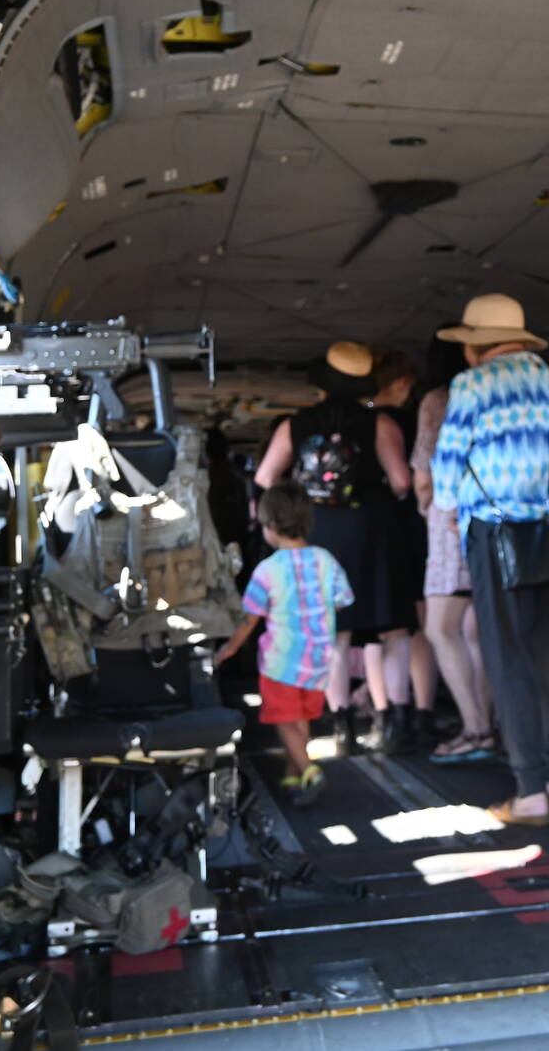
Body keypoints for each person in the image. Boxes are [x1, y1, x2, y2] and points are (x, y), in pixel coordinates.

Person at [431, 294, 549, 824]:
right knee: (548, 659)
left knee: (507, 659)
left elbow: (448, 460)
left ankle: (530, 792)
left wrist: (450, 508)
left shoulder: (471, 385)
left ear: (476, 346)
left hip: (498, 534)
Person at [253, 342, 413, 752]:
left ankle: (342, 729)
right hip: (373, 528)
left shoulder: (295, 424)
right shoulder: (379, 424)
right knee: (392, 628)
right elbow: (400, 481)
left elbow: (267, 476)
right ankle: (394, 722)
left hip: (319, 530)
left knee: (336, 633)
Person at [215, 482, 353, 807]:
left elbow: (249, 618)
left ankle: (310, 771)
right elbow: (343, 599)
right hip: (319, 659)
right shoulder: (325, 559)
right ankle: (293, 775)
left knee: (282, 718)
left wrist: (229, 649)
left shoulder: (267, 570)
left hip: (282, 661)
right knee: (300, 718)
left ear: (272, 527)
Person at [413, 333, 495, 763]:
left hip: (448, 517)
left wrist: (425, 504)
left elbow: (424, 468)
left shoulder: (439, 401)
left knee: (441, 628)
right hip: (492, 515)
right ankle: (490, 722)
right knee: (479, 630)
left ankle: (475, 728)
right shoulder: (490, 392)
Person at [372, 348, 438, 751]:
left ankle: (388, 714)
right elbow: (406, 478)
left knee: (385, 629)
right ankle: (423, 712)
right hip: (412, 524)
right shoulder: (400, 421)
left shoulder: (362, 421)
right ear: (400, 384)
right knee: (421, 626)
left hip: (378, 531)